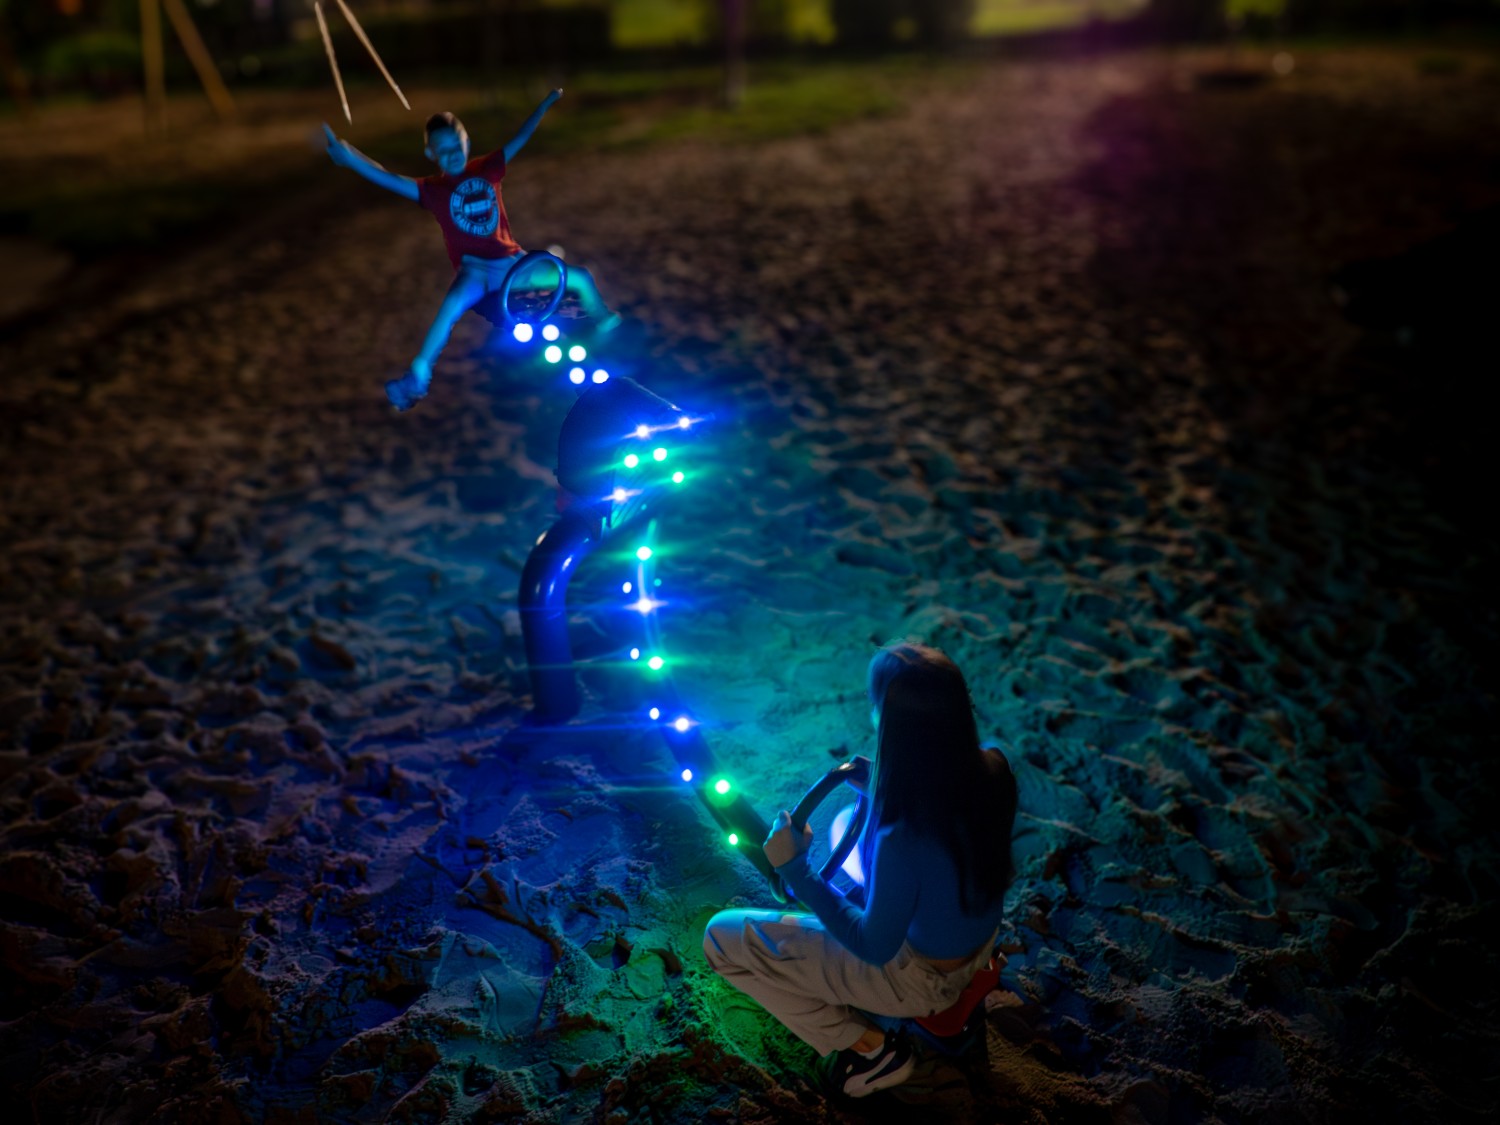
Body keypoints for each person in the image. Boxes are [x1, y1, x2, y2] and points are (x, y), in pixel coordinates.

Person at [703, 641, 1017, 1098]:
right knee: (852, 841)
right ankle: (956, 995)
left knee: (721, 939)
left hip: (918, 978)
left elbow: (873, 945)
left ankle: (870, 1052)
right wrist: (883, 785)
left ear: (891, 725)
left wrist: (795, 868)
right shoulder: (996, 768)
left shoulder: (902, 837)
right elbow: (946, 817)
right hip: (974, 942)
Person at [322, 90, 619, 412]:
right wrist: (351, 158)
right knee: (449, 308)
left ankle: (608, 325)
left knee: (580, 278)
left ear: (467, 141)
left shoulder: (487, 168)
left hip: (513, 264)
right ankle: (419, 373)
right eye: (443, 150)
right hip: (476, 270)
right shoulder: (433, 190)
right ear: (431, 153)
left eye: (457, 145)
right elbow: (387, 177)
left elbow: (520, 138)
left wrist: (543, 107)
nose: (452, 154)